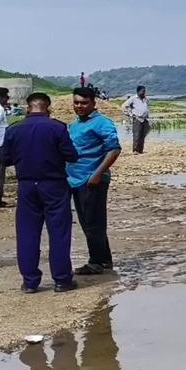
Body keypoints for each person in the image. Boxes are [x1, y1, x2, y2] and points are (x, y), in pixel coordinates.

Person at [4, 92, 80, 293]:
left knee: (27, 233)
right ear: (48, 108)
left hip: (27, 185)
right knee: (59, 233)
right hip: (53, 184)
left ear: (28, 107)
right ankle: (62, 280)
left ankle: (30, 282)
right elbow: (71, 156)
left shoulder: (14, 129)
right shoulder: (57, 127)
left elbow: (5, 159)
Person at [68, 87, 121, 275]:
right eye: (76, 103)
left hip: (92, 180)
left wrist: (98, 174)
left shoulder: (102, 123)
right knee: (86, 222)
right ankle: (101, 259)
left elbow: (114, 149)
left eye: (84, 103)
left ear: (93, 103)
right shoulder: (74, 125)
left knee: (94, 222)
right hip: (75, 179)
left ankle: (98, 262)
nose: (79, 106)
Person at [121, 85, 151, 154]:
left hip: (145, 119)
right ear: (138, 91)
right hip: (137, 118)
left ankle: (140, 150)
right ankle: (135, 150)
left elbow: (146, 108)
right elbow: (124, 106)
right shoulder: (133, 99)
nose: (144, 93)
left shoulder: (145, 99)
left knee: (143, 135)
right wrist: (131, 115)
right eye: (142, 91)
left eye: (144, 91)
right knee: (137, 134)